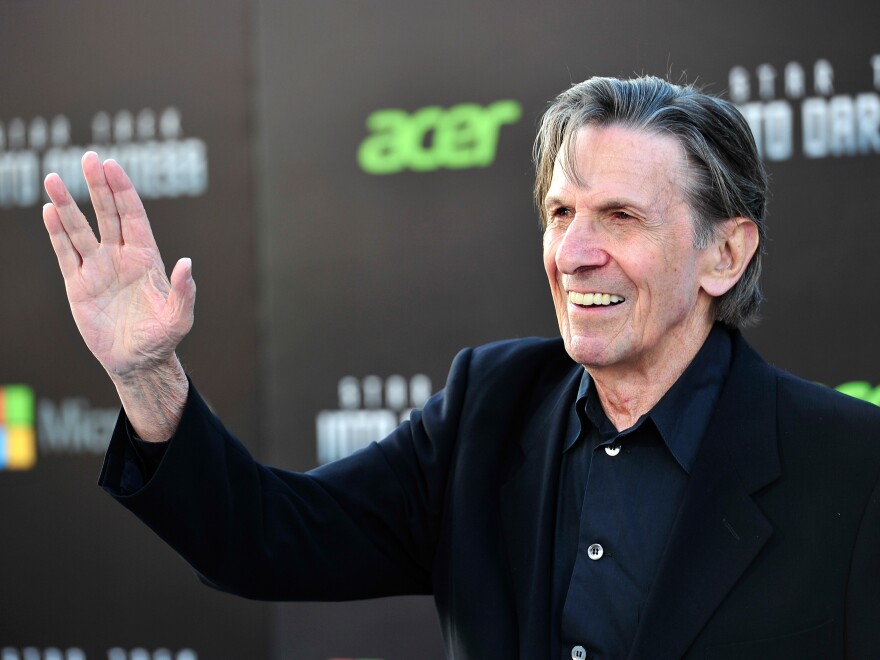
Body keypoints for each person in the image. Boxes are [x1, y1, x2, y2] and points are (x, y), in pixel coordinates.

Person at [43, 76, 880, 659]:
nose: (575, 254)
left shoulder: (849, 462)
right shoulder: (490, 407)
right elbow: (264, 539)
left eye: (620, 217)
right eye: (561, 214)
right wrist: (147, 371)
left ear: (724, 253)